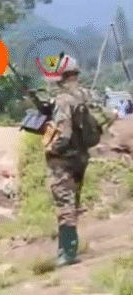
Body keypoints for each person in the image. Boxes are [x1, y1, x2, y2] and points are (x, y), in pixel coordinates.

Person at [42, 56, 95, 267]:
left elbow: (63, 134)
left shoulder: (64, 99)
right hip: (82, 156)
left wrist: (51, 148)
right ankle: (68, 248)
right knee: (73, 203)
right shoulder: (86, 94)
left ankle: (68, 253)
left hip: (64, 159)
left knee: (64, 205)